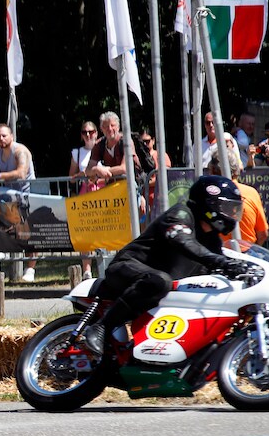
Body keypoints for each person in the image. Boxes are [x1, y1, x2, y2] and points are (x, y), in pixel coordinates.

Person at [82, 175, 254, 355]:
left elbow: (216, 262)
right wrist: (218, 261)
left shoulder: (212, 240)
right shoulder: (181, 214)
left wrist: (241, 268)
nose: (231, 215)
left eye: (234, 210)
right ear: (209, 205)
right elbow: (183, 240)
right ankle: (101, 327)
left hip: (156, 290)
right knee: (160, 281)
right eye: (226, 208)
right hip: (126, 269)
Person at [0, 124, 38, 281]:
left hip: (26, 195)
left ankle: (30, 270)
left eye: (4, 135)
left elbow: (21, 172)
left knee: (28, 234)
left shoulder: (20, 151)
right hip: (7, 199)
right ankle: (1, 251)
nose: (1, 139)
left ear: (11, 136)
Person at [68, 121, 98, 185]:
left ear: (96, 133)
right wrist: (80, 175)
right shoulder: (77, 153)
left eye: (91, 132)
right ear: (81, 135)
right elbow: (71, 179)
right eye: (84, 132)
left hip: (104, 189)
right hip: (86, 190)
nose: (87, 135)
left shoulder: (104, 149)